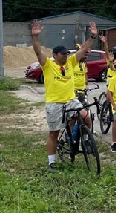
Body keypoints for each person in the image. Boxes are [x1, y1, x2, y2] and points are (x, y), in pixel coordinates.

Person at [31, 20, 97, 172]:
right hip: (54, 103)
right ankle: (51, 162)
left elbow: (84, 49)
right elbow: (37, 52)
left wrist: (92, 37)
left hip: (70, 100)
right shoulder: (48, 64)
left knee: (86, 117)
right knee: (54, 133)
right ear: (55, 55)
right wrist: (35, 37)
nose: (66, 56)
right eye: (63, 54)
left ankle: (86, 141)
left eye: (67, 54)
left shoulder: (71, 63)